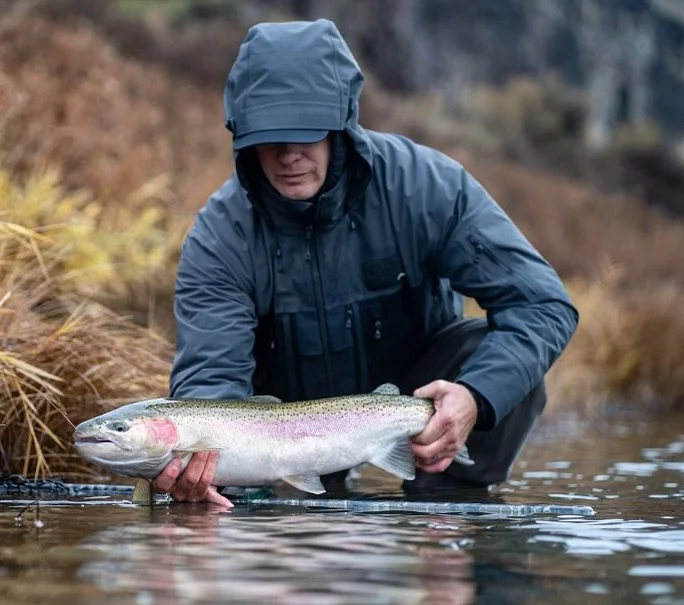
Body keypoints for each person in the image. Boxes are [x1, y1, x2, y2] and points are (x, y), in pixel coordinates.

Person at [155, 19, 578, 507]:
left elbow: (543, 305)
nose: (290, 154)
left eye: (307, 133)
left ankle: (447, 498)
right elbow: (211, 378)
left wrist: (474, 398)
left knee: (494, 359)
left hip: (414, 406)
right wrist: (197, 465)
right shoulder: (219, 236)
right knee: (225, 470)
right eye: (271, 136)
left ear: (341, 124)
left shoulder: (427, 188)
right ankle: (275, 498)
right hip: (285, 435)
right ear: (242, 136)